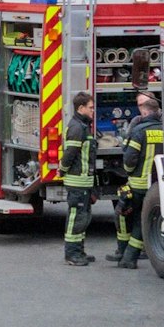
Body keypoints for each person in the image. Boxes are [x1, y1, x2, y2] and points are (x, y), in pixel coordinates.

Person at [109, 92, 163, 270]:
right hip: (159, 186)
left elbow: (129, 160)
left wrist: (129, 173)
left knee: (127, 216)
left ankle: (127, 255)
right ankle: (125, 255)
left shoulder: (139, 132)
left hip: (138, 185)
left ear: (145, 113)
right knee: (140, 220)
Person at [61, 90, 98, 266]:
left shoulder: (83, 126)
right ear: (81, 108)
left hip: (84, 181)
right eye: (91, 107)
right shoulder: (77, 128)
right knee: (75, 218)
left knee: (83, 218)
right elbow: (70, 154)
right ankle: (72, 254)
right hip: (77, 181)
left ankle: (79, 251)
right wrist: (63, 169)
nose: (93, 110)